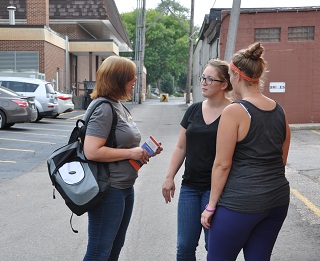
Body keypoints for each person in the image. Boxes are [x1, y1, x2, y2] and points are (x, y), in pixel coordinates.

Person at [201, 42, 291, 261]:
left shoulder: (235, 111)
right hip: (277, 200)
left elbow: (222, 164)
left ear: (237, 76)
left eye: (230, 75)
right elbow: (281, 159)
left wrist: (211, 206)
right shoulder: (279, 110)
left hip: (241, 203)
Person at [82, 56, 163, 260]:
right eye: (130, 76)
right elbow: (91, 151)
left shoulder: (117, 105)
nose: (135, 79)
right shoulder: (104, 108)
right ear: (117, 79)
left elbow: (119, 143)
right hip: (108, 189)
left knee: (113, 248)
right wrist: (131, 153)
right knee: (99, 250)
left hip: (123, 187)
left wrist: (143, 151)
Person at [162, 59, 233, 260]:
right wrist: (169, 177)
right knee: (184, 246)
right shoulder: (194, 110)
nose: (204, 82)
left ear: (224, 84)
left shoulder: (233, 112)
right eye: (203, 78)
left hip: (219, 190)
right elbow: (181, 146)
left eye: (210, 79)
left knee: (214, 246)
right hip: (190, 188)